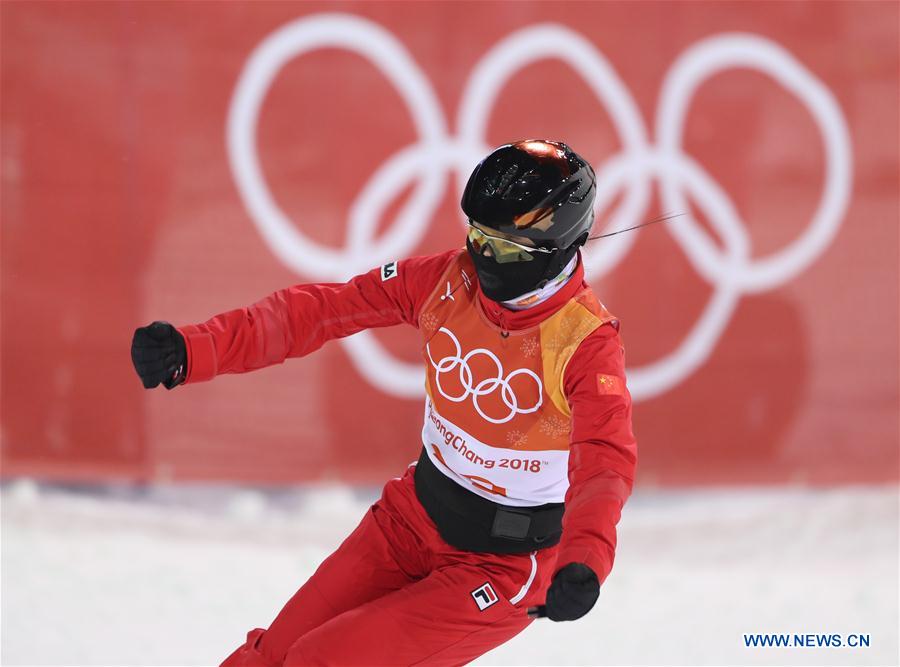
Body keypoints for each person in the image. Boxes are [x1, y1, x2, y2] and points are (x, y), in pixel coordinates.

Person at [131, 140, 637, 666]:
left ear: (555, 247)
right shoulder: (447, 281)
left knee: (322, 660)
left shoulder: (584, 343)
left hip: (501, 565)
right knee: (270, 656)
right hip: (410, 520)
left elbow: (604, 461)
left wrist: (585, 560)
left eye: (504, 248)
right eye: (476, 237)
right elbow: (323, 310)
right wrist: (197, 347)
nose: (483, 257)